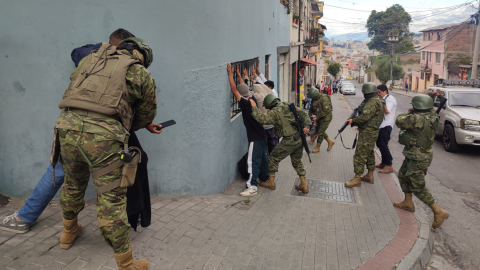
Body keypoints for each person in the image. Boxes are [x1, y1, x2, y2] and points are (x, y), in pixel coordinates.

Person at [0, 29, 156, 234]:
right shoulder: (136, 69)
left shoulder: (91, 57)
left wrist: (102, 48)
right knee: (116, 180)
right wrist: (139, 124)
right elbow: (144, 110)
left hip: (70, 125)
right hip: (107, 130)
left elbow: (76, 52)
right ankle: (121, 239)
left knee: (60, 172)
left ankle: (33, 220)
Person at [54, 37, 159, 269]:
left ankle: (68, 232)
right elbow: (146, 115)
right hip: (103, 139)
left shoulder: (90, 59)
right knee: (111, 200)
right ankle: (126, 263)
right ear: (143, 57)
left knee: (72, 185)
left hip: (67, 128)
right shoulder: (140, 73)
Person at [394, 94, 450, 229]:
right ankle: (408, 202)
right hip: (416, 154)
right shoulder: (432, 115)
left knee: (417, 186)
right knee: (403, 175)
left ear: (417, 107)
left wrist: (409, 112)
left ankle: (438, 211)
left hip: (418, 157)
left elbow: (399, 121)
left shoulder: (415, 118)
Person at [250, 94, 312, 193]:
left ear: (269, 105)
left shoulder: (274, 112)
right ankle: (304, 185)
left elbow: (261, 119)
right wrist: (307, 126)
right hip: (299, 138)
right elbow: (304, 114)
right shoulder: (287, 105)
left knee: (273, 158)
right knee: (297, 161)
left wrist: (254, 107)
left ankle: (271, 182)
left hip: (289, 140)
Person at [228, 64, 269, 197]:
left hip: (254, 138)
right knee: (262, 159)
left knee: (253, 161)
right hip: (262, 135)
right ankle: (265, 177)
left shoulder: (245, 104)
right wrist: (239, 74)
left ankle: (252, 186)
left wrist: (230, 73)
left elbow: (234, 89)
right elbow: (242, 86)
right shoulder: (252, 99)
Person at [344, 83, 385, 188]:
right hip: (373, 131)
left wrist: (353, 120)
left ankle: (357, 178)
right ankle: (370, 175)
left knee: (360, 155)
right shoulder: (379, 100)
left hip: (368, 132)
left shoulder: (372, 102)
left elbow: (365, 117)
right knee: (370, 153)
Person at [375, 84, 397, 173]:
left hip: (387, 125)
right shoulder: (383, 99)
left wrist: (381, 102)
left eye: (379, 92)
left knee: (383, 145)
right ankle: (383, 162)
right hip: (381, 125)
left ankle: (389, 165)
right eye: (377, 92)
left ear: (385, 91)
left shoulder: (390, 99)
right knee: (379, 144)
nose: (378, 94)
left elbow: (387, 111)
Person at [308, 88, 335, 153]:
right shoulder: (314, 99)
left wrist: (316, 118)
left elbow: (326, 111)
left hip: (326, 118)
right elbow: (311, 109)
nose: (313, 99)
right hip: (319, 117)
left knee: (320, 132)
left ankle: (318, 147)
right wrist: (308, 117)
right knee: (318, 130)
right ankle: (330, 141)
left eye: (314, 97)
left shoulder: (324, 98)